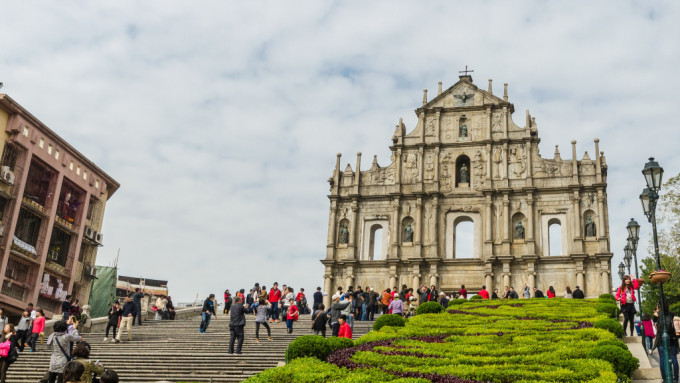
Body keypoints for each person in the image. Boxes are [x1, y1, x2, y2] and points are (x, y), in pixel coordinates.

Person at [653, 309, 679, 383]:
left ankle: (664, 378)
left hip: (661, 339)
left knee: (662, 359)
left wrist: (657, 311)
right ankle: (676, 378)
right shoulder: (671, 314)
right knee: (674, 358)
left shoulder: (657, 315)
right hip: (672, 339)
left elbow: (654, 320)